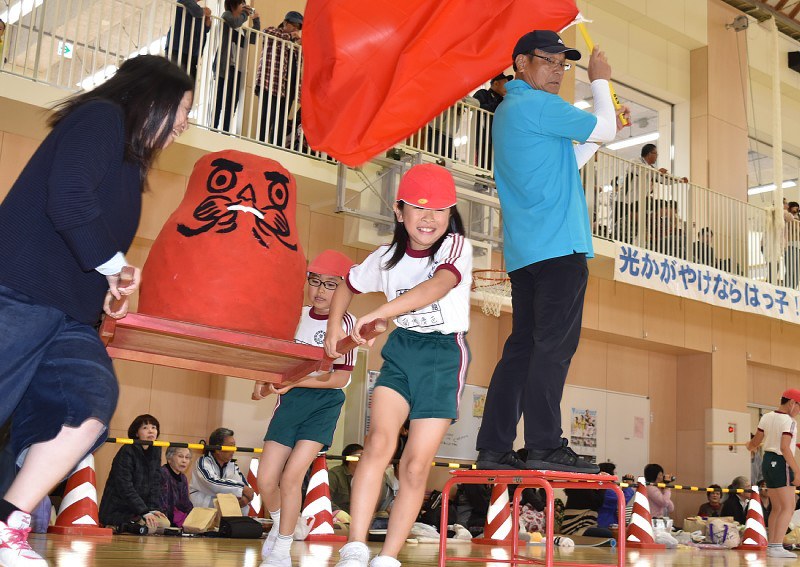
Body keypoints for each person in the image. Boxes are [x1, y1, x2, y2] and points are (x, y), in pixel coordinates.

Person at [0, 54, 193, 566]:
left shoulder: (130, 164)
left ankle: (8, 527)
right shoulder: (102, 116)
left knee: (89, 405)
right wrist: (111, 264)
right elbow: (67, 197)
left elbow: (89, 238)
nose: (185, 123)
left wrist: (110, 276)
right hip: (16, 292)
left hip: (69, 317)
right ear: (152, 97)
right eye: (182, 109)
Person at [475, 30, 629, 473]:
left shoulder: (513, 110)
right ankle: (544, 443)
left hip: (527, 254)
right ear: (521, 62)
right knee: (552, 349)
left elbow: (574, 156)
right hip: (560, 248)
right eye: (549, 60)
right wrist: (600, 81)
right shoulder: (539, 105)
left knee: (522, 348)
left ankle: (495, 446)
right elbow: (604, 126)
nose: (559, 70)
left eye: (565, 63)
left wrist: (601, 132)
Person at [325, 163, 472, 567]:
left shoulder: (456, 247)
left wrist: (380, 315)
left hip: (444, 355)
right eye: (419, 208)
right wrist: (333, 330)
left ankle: (388, 557)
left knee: (414, 464)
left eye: (441, 210)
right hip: (402, 351)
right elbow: (346, 285)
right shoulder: (385, 258)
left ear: (451, 213)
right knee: (377, 444)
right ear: (398, 210)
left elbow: (437, 286)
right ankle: (356, 547)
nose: (429, 218)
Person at [252, 249, 356, 567]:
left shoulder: (346, 323)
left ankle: (283, 548)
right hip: (290, 403)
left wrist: (295, 382)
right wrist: (261, 382)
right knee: (266, 480)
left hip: (323, 404)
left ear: (344, 291)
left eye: (330, 284)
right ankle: (287, 520)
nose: (320, 291)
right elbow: (272, 362)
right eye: (315, 281)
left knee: (292, 477)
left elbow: (337, 380)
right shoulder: (292, 316)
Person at [746, 389, 800, 559]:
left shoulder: (766, 416)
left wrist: (750, 445)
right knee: (788, 507)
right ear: (792, 403)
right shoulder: (789, 421)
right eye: (799, 407)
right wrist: (797, 471)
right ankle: (776, 546)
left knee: (777, 507)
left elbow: (755, 442)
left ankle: (773, 546)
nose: (798, 411)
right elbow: (784, 447)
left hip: (768, 461)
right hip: (781, 462)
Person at [99, 415, 167, 531]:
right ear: (136, 433)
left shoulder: (156, 449)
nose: (151, 430)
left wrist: (152, 509)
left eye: (154, 427)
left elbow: (155, 483)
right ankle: (118, 525)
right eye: (145, 428)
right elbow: (125, 487)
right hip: (119, 508)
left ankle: (128, 526)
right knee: (149, 528)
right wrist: (144, 511)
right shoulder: (127, 450)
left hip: (140, 510)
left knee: (164, 524)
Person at [255, 11, 303, 145]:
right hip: (270, 83)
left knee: (281, 121)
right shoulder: (273, 32)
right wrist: (291, 37)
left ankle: (277, 147)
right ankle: (260, 145)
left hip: (289, 89)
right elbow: (267, 32)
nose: (295, 30)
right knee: (266, 118)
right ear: (285, 23)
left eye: (298, 28)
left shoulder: (295, 44)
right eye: (293, 26)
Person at [213, 0, 260, 132]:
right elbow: (234, 22)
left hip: (238, 69)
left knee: (232, 103)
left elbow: (253, 38)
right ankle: (213, 128)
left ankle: (225, 132)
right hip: (225, 66)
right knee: (219, 99)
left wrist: (256, 20)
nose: (244, 7)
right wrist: (245, 15)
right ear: (233, 5)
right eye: (242, 4)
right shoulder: (226, 16)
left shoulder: (242, 29)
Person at [189, 427, 254, 513]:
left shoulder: (232, 465)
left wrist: (245, 498)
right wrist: (242, 489)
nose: (233, 450)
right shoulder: (203, 462)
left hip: (225, 512)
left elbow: (245, 487)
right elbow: (212, 482)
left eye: (234, 446)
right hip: (202, 512)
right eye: (230, 446)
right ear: (217, 449)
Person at [328, 444, 392, 516]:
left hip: (362, 518)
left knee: (383, 515)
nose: (366, 459)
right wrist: (338, 512)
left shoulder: (369, 476)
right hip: (340, 518)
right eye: (362, 455)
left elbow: (381, 502)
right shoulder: (334, 474)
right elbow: (325, 499)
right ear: (351, 458)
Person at [166, 0, 212, 81]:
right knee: (175, 81)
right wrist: (205, 12)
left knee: (189, 82)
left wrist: (207, 23)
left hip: (192, 52)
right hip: (177, 48)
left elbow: (203, 29)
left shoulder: (195, 8)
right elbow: (198, 12)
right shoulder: (185, 1)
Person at [160, 446, 194, 528]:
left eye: (187, 457)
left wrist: (194, 515)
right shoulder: (162, 473)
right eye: (180, 456)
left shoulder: (183, 478)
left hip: (176, 517)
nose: (184, 461)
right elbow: (161, 503)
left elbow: (185, 503)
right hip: (162, 515)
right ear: (169, 458)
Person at [596, 462, 634, 529]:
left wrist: (625, 488)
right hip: (605, 523)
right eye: (614, 473)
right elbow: (622, 500)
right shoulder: (606, 489)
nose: (616, 476)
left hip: (607, 520)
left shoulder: (603, 487)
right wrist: (628, 487)